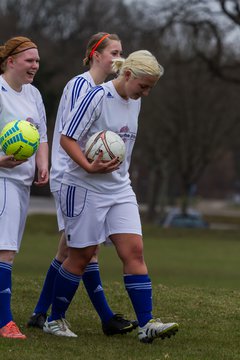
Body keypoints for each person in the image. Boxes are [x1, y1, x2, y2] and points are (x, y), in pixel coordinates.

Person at [43, 49, 179, 343]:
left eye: (150, 88)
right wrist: (89, 166)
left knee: (134, 251)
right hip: (83, 186)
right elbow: (66, 138)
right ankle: (54, 320)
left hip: (119, 188)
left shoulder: (134, 102)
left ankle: (147, 324)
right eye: (143, 86)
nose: (146, 93)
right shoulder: (96, 97)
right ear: (127, 74)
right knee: (80, 256)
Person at [27, 32, 138, 336]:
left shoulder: (110, 91)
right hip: (71, 176)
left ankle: (40, 313)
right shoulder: (82, 85)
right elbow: (78, 136)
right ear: (95, 55)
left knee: (69, 249)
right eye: (114, 52)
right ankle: (104, 318)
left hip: (91, 177)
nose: (120, 57)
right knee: (83, 250)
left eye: (122, 51)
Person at [0, 36, 49, 339]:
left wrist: (43, 163)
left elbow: (41, 134)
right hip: (2, 180)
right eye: (30, 60)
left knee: (9, 252)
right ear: (10, 61)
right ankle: (5, 322)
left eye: (38, 61)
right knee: (4, 251)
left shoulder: (33, 93)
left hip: (21, 184)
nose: (35, 66)